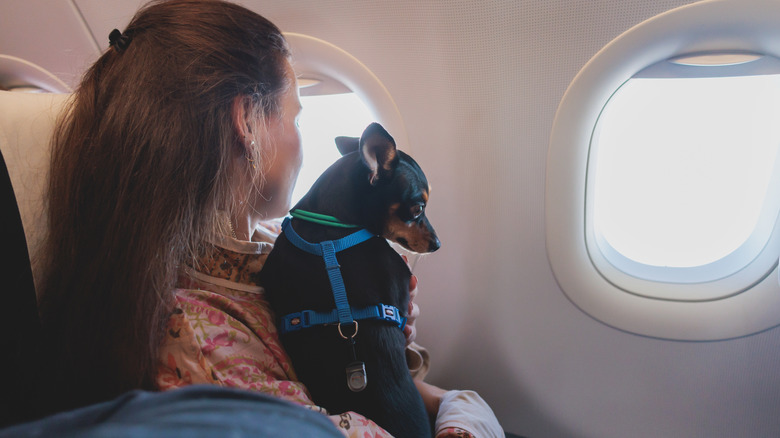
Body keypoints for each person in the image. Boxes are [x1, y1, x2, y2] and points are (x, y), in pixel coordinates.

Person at [38, 0, 502, 436]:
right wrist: (462, 408)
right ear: (248, 123)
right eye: (296, 117)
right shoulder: (200, 341)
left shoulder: (282, 244)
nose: (302, 138)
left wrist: (379, 338)